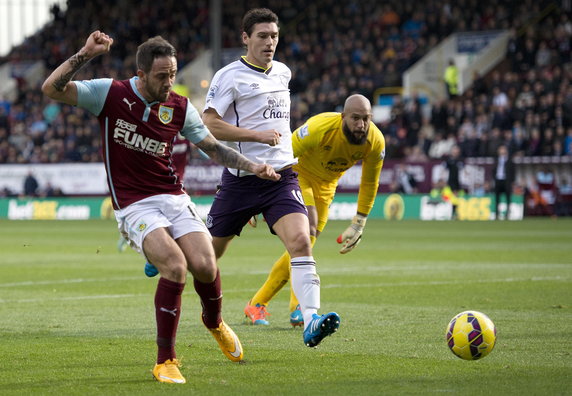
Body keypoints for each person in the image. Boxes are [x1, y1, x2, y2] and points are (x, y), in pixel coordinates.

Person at [41, 31, 280, 384]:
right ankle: (165, 360)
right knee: (174, 266)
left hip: (173, 196)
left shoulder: (180, 107)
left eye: (173, 74)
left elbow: (213, 148)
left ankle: (213, 321)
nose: (170, 83)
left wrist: (252, 166)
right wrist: (86, 53)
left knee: (205, 263)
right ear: (140, 74)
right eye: (161, 76)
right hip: (134, 205)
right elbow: (51, 88)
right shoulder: (111, 94)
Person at [201, 8, 340, 348]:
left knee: (301, 241)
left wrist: (271, 144)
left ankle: (311, 320)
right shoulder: (228, 76)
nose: (270, 42)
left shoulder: (283, 72)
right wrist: (256, 136)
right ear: (245, 38)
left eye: (274, 36)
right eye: (262, 36)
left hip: (282, 176)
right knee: (205, 258)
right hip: (241, 180)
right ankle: (169, 252)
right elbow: (210, 122)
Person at [246, 95, 386, 327]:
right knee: (308, 228)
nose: (361, 125)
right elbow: (282, 152)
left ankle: (257, 303)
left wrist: (359, 222)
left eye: (366, 119)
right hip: (297, 175)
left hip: (326, 188)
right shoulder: (320, 127)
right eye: (355, 119)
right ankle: (298, 307)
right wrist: (256, 192)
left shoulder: (375, 141)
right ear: (343, 117)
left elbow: (370, 182)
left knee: (304, 246)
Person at [493, 144, 515, 219]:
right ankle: (496, 214)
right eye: (501, 149)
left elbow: (513, 172)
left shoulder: (509, 160)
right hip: (498, 180)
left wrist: (512, 181)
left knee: (508, 198)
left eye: (504, 149)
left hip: (506, 181)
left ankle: (508, 213)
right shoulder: (496, 160)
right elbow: (493, 170)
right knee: (497, 198)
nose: (502, 151)